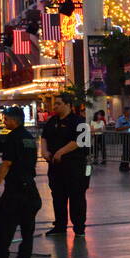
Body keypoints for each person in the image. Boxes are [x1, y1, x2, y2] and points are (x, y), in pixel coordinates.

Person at [0, 107, 42, 258]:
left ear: (14, 120)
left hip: (15, 189)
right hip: (30, 187)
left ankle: (1, 257)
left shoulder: (12, 137)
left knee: (4, 225)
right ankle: (24, 256)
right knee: (27, 226)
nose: (4, 122)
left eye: (7, 119)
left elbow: (7, 163)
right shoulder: (29, 138)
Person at [41, 93, 88, 235]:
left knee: (77, 197)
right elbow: (44, 137)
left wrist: (61, 152)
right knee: (58, 197)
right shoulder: (51, 121)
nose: (55, 106)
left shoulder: (80, 121)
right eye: (55, 104)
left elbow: (80, 142)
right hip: (56, 167)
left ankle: (79, 227)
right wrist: (44, 151)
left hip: (75, 167)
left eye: (58, 104)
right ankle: (60, 226)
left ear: (68, 105)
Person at [115, 106, 130, 171]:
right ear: (125, 112)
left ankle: (127, 165)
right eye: (129, 111)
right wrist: (126, 127)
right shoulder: (120, 119)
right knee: (125, 151)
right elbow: (117, 128)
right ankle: (122, 166)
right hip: (125, 135)